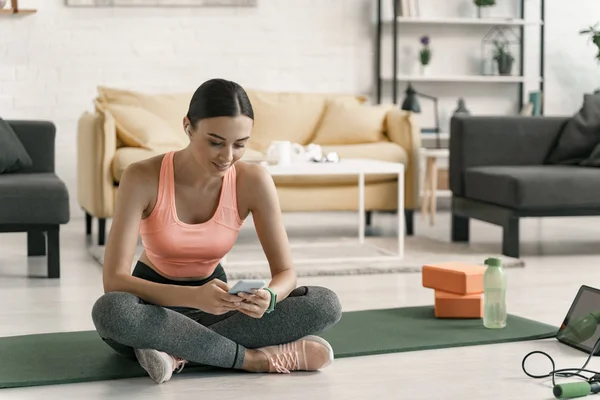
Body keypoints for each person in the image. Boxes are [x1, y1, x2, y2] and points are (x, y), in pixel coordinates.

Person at [90, 78, 343, 384]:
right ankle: (254, 359)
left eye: (240, 144)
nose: (227, 156)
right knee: (111, 311)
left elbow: (286, 272)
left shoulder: (254, 181)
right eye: (215, 141)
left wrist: (269, 296)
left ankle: (174, 353)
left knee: (324, 303)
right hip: (151, 307)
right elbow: (114, 280)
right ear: (188, 127)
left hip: (219, 305)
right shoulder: (142, 176)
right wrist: (194, 297)